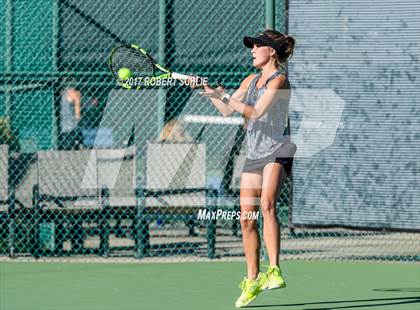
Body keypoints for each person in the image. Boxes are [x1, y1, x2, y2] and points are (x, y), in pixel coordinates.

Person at [196, 29, 296, 307]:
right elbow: (227, 109)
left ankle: (273, 270)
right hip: (254, 154)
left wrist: (225, 97)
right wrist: (208, 91)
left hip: (279, 150)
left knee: (266, 205)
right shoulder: (250, 79)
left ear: (271, 51)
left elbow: (255, 112)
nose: (252, 50)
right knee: (246, 219)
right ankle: (252, 279)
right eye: (251, 46)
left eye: (257, 46)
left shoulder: (280, 80)